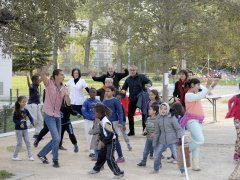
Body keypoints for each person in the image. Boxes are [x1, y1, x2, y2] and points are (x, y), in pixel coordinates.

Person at [37, 60, 71, 168]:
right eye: (61, 74)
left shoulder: (64, 87)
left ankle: (42, 154)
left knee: (57, 138)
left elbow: (68, 103)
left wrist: (66, 95)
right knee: (56, 138)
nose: (63, 76)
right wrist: (48, 65)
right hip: (48, 115)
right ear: (56, 76)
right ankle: (55, 160)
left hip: (57, 115)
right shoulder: (49, 84)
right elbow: (42, 75)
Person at [180, 78, 218, 171]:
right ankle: (186, 150)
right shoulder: (188, 95)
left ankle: (195, 165)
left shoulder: (195, 94)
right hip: (191, 120)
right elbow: (202, 94)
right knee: (200, 140)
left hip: (198, 121)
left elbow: (205, 92)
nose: (199, 87)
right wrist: (206, 84)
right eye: (197, 85)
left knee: (196, 140)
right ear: (192, 85)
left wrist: (212, 84)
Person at [88, 103, 124, 179]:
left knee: (109, 158)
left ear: (99, 113)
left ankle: (118, 173)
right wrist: (100, 138)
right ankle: (96, 169)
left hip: (111, 142)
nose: (94, 114)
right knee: (101, 156)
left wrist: (103, 142)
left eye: (95, 112)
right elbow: (103, 132)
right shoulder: (101, 120)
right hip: (106, 141)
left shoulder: (105, 121)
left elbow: (111, 134)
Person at [121, 65, 152, 136]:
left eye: (133, 70)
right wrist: (123, 90)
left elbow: (149, 81)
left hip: (141, 98)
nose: (132, 71)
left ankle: (145, 131)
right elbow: (124, 87)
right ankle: (131, 131)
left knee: (144, 114)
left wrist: (149, 84)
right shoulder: (128, 79)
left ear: (136, 70)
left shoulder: (141, 77)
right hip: (132, 99)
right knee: (129, 115)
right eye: (131, 70)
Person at [152, 103, 183, 174]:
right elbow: (157, 132)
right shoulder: (158, 118)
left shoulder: (171, 117)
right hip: (162, 141)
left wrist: (179, 138)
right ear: (159, 109)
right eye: (162, 108)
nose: (163, 110)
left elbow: (178, 129)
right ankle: (156, 169)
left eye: (165, 109)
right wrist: (154, 143)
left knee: (177, 156)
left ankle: (183, 171)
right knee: (156, 155)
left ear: (168, 109)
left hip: (172, 140)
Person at [103, 86, 125, 163]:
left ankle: (121, 156)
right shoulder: (104, 100)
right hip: (106, 123)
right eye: (106, 91)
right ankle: (108, 156)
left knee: (115, 140)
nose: (106, 92)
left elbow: (120, 112)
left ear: (113, 92)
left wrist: (120, 122)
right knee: (107, 139)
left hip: (114, 122)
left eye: (108, 91)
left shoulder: (116, 100)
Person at [12, 96, 34, 161]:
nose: (24, 103)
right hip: (18, 130)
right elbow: (14, 120)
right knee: (19, 143)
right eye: (23, 102)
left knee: (28, 142)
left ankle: (30, 156)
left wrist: (32, 123)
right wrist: (19, 124)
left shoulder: (26, 110)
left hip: (25, 129)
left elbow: (31, 117)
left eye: (25, 102)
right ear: (19, 102)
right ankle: (15, 156)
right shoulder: (16, 111)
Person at [82, 88, 100, 157]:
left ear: (96, 93)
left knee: (95, 136)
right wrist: (91, 117)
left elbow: (101, 110)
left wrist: (97, 118)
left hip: (96, 122)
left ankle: (95, 150)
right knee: (89, 136)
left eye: (94, 92)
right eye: (91, 92)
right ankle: (91, 152)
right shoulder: (86, 102)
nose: (92, 93)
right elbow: (84, 112)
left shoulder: (98, 102)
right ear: (89, 94)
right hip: (88, 121)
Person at [26, 74, 43, 139]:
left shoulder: (36, 85)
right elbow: (29, 85)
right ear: (34, 81)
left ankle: (37, 134)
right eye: (38, 79)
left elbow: (41, 79)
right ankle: (22, 126)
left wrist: (43, 73)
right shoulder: (32, 86)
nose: (39, 80)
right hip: (32, 105)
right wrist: (27, 77)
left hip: (37, 105)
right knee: (33, 119)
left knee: (40, 120)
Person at [225, 94, 240, 162]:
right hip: (237, 119)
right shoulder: (236, 97)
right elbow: (229, 101)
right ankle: (236, 153)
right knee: (239, 136)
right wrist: (230, 110)